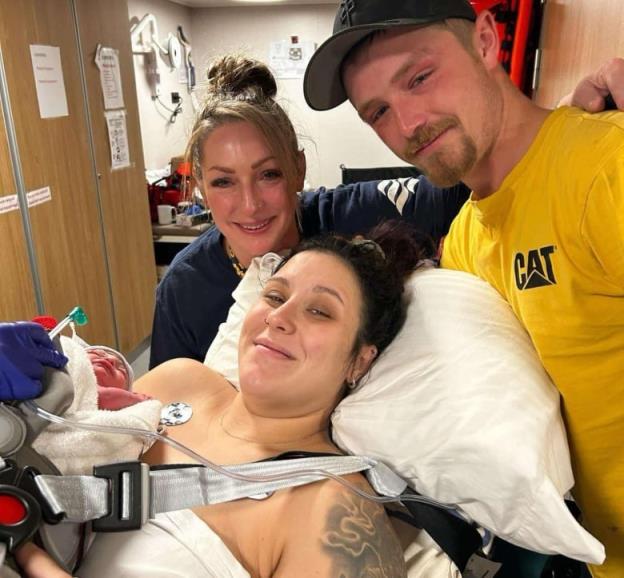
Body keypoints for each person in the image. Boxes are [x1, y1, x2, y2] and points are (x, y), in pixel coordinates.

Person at [302, 1, 623, 576]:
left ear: (485, 40)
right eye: (377, 111)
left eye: (419, 77)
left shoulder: (605, 170)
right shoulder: (466, 243)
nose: (407, 124)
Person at [10, 223, 430, 578]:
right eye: (276, 296)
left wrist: (29, 556)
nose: (278, 318)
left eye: (320, 311)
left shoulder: (333, 509)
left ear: (360, 359)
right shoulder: (181, 380)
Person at [148, 54, 468, 369]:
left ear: (298, 169)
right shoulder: (184, 289)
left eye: (268, 174)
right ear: (200, 185)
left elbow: (459, 187)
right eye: (223, 182)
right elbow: (169, 405)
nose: (250, 204)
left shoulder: (347, 217)